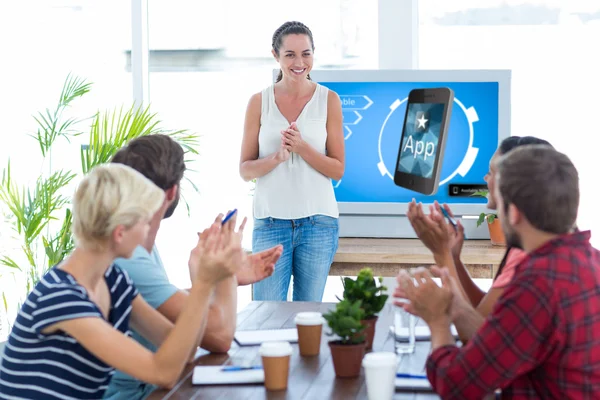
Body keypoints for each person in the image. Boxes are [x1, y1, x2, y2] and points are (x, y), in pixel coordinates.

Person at [0, 163, 244, 399]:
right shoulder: (62, 298)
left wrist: (204, 275)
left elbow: (185, 351)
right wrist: (203, 283)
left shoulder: (113, 280)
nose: (149, 230)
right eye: (145, 221)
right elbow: (163, 372)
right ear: (120, 233)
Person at [396, 145, 600, 398]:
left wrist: (438, 321)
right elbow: (492, 337)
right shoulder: (588, 260)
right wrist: (450, 304)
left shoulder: (538, 285)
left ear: (513, 213)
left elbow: (456, 385)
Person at [103, 134, 283, 400]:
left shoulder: (134, 254)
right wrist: (222, 275)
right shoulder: (128, 258)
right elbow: (220, 337)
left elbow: (180, 339)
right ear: (172, 192)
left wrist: (216, 278)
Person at [239, 21, 344, 302]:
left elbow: (338, 169)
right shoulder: (258, 102)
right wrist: (276, 158)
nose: (299, 62)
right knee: (266, 313)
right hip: (271, 223)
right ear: (276, 55)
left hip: (318, 225)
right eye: (290, 55)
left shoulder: (329, 100)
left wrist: (302, 148)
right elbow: (245, 170)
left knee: (307, 315)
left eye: (306, 54)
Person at [405, 136, 553, 324]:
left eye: (491, 172)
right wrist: (453, 259)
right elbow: (485, 312)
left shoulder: (526, 258)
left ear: (510, 185)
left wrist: (441, 253)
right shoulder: (527, 245)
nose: (486, 178)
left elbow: (477, 334)